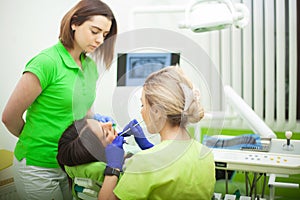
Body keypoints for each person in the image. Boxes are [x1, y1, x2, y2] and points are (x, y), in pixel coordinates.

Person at [1, 0, 117, 199]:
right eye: (95, 31)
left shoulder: (89, 67)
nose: (99, 40)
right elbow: (9, 117)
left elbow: (85, 113)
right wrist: (36, 140)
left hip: (69, 163)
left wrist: (100, 127)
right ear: (74, 23)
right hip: (37, 166)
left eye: (104, 35)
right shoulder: (47, 62)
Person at [99, 65, 216, 200]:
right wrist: (148, 147)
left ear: (157, 112)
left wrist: (113, 169)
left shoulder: (143, 162)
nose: (141, 111)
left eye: (143, 105)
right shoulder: (206, 155)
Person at [57, 117, 119, 199]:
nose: (109, 124)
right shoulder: (109, 175)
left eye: (99, 122)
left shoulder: (77, 172)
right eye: (106, 134)